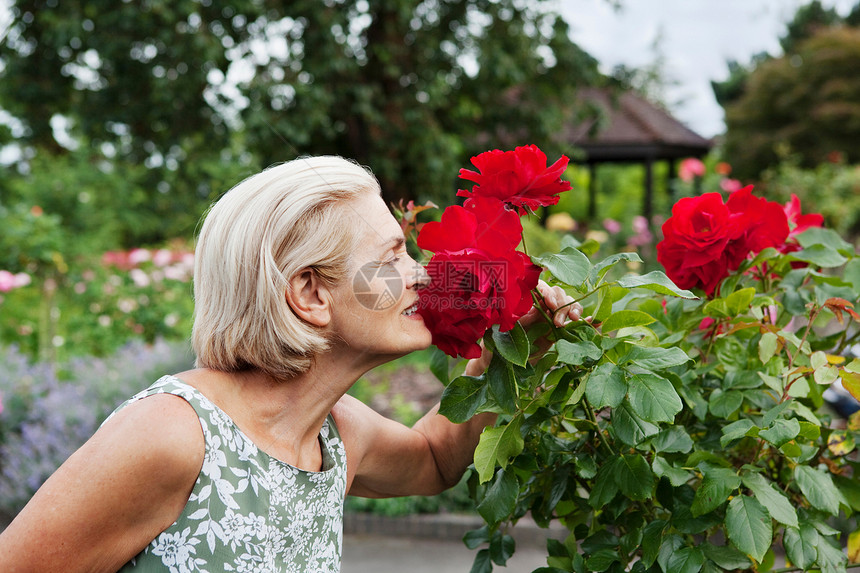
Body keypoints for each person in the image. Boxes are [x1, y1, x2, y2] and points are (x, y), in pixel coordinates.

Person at [0, 156, 582, 572]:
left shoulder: (336, 433)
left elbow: (435, 461)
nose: (423, 274)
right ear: (309, 293)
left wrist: (515, 338)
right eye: (394, 256)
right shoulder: (174, 435)